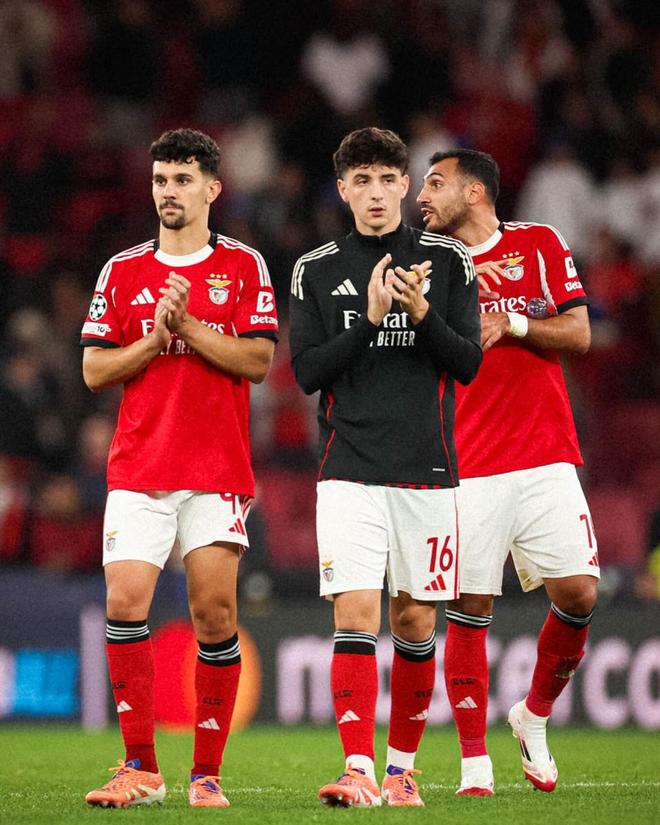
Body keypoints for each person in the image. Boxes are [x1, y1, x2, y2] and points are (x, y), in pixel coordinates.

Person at [80, 128, 278, 808]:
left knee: (214, 614)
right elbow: (94, 369)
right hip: (140, 465)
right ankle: (140, 766)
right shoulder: (122, 270)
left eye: (183, 179)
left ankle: (205, 774)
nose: (169, 191)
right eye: (161, 179)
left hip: (215, 468)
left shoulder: (244, 266)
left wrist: (188, 327)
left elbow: (258, 360)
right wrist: (153, 339)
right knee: (123, 602)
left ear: (213, 189)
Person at [289, 127, 481, 808]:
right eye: (361, 180)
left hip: (426, 468)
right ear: (343, 189)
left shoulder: (449, 260)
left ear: (405, 185)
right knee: (355, 613)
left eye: (386, 179)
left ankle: (401, 772)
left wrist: (420, 311)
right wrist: (369, 318)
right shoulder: (315, 268)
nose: (374, 192)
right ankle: (358, 768)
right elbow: (307, 372)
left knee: (416, 622)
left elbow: (467, 362)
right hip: (348, 467)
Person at [417, 149, 599, 796]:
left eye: (435, 183)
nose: (421, 196)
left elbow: (579, 333)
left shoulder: (540, 243)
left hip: (547, 452)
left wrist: (515, 321)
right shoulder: (426, 265)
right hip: (467, 460)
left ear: (474, 191)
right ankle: (475, 765)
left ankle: (533, 715)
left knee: (579, 595)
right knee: (470, 607)